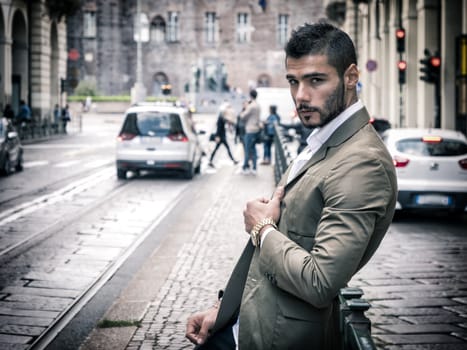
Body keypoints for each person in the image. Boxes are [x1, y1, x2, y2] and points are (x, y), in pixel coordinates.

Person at [186, 22, 397, 349]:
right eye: (293, 81)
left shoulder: (361, 161)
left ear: (351, 77)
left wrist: (262, 228)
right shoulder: (322, 138)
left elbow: (320, 282)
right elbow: (265, 256)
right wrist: (222, 309)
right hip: (243, 327)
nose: (301, 95)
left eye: (316, 80)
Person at [239, 89, 261, 175]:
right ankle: (254, 168)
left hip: (250, 129)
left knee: (248, 149)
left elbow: (243, 116)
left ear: (250, 96)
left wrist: (243, 110)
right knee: (253, 149)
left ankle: (245, 167)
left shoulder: (251, 106)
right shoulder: (258, 105)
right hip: (256, 129)